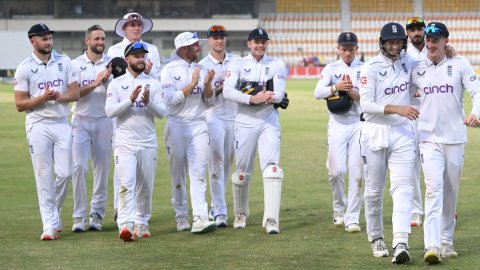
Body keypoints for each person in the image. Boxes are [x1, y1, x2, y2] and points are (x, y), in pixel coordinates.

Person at [410, 22, 480, 264]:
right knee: (433, 190)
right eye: (428, 40)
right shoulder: (417, 68)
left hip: (455, 139)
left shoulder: (460, 64)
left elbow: (477, 91)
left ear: (445, 42)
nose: (430, 44)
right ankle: (432, 245)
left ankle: (447, 242)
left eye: (435, 40)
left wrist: (476, 113)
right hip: (428, 140)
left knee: (450, 192)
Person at [359, 22, 419, 264]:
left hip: (403, 132)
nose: (394, 46)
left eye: (398, 42)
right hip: (375, 132)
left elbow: (430, 65)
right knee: (374, 192)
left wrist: (450, 53)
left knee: (403, 188)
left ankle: (401, 242)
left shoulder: (409, 62)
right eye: (390, 42)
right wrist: (398, 108)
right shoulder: (370, 67)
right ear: (382, 43)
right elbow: (366, 106)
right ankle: (376, 237)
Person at [14, 23, 79, 240]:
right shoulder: (24, 67)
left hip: (61, 123)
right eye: (43, 38)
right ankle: (49, 226)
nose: (48, 42)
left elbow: (75, 94)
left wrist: (60, 97)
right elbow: (20, 104)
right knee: (43, 176)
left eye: (50, 38)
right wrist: (44, 98)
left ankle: (55, 214)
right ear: (33, 41)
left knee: (66, 173)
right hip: (38, 125)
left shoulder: (64, 61)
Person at [223, 28, 287, 234]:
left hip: (269, 121)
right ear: (249, 44)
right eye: (256, 42)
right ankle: (241, 213)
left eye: (263, 42)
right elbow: (227, 91)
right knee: (242, 172)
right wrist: (252, 98)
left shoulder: (276, 64)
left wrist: (270, 96)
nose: (260, 45)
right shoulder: (237, 64)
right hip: (244, 122)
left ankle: (271, 219)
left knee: (272, 169)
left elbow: (280, 94)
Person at [105, 42, 166, 241]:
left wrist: (148, 103)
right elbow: (109, 112)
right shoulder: (116, 84)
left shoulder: (154, 84)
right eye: (136, 56)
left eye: (143, 56)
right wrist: (129, 101)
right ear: (127, 59)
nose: (141, 59)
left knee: (145, 186)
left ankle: (142, 222)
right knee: (126, 183)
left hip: (147, 142)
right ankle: (125, 224)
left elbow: (162, 113)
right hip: (124, 143)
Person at [161, 31, 217, 234]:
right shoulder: (169, 70)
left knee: (198, 173)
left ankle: (201, 217)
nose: (199, 48)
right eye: (195, 45)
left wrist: (207, 84)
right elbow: (170, 99)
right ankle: (181, 215)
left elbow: (209, 101)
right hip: (176, 125)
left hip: (199, 125)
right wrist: (192, 83)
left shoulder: (201, 69)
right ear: (184, 49)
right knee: (178, 175)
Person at [313, 32, 364, 233]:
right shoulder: (331, 69)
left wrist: (352, 92)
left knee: (357, 174)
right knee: (336, 172)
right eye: (344, 49)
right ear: (338, 49)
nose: (348, 52)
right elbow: (317, 92)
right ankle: (338, 208)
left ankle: (352, 218)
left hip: (358, 124)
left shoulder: (365, 68)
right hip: (337, 124)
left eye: (351, 49)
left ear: (356, 49)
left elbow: (369, 98)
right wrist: (336, 87)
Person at [70, 25, 112, 232]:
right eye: (96, 39)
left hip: (104, 121)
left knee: (102, 170)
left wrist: (111, 79)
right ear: (87, 41)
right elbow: (74, 93)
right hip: (81, 121)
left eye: (103, 39)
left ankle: (97, 213)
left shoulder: (112, 64)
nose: (100, 43)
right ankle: (78, 215)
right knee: (78, 168)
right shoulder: (75, 65)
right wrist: (96, 83)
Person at [198, 25, 240, 227]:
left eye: (222, 37)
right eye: (215, 38)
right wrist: (222, 87)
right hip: (214, 116)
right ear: (209, 41)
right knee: (215, 166)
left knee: (227, 165)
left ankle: (217, 205)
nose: (219, 41)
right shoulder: (203, 65)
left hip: (236, 117)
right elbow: (205, 98)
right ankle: (220, 212)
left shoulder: (236, 61)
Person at [405, 16, 427, 227]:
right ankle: (416, 211)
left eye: (419, 28)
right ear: (408, 34)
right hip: (411, 114)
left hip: (432, 114)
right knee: (411, 164)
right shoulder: (404, 56)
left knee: (436, 164)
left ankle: (442, 207)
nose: (416, 32)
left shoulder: (435, 50)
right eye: (412, 29)